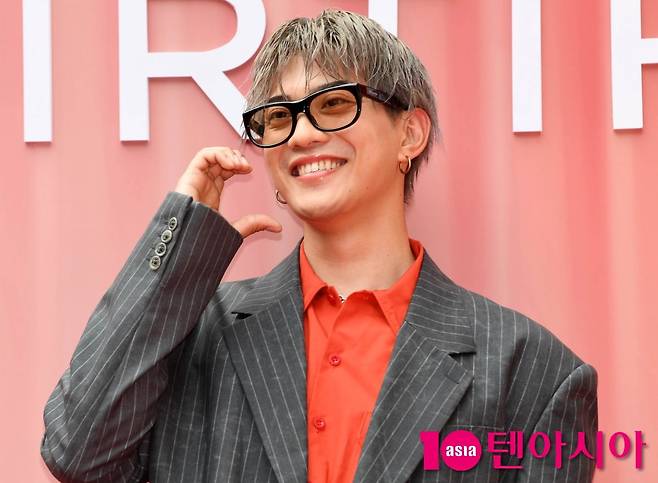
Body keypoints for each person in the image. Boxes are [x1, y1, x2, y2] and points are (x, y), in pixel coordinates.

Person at [40, 9, 597, 483]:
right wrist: (180, 239)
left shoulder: (533, 371)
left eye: (333, 104)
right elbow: (77, 452)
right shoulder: (191, 335)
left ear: (409, 134)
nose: (302, 135)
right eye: (278, 117)